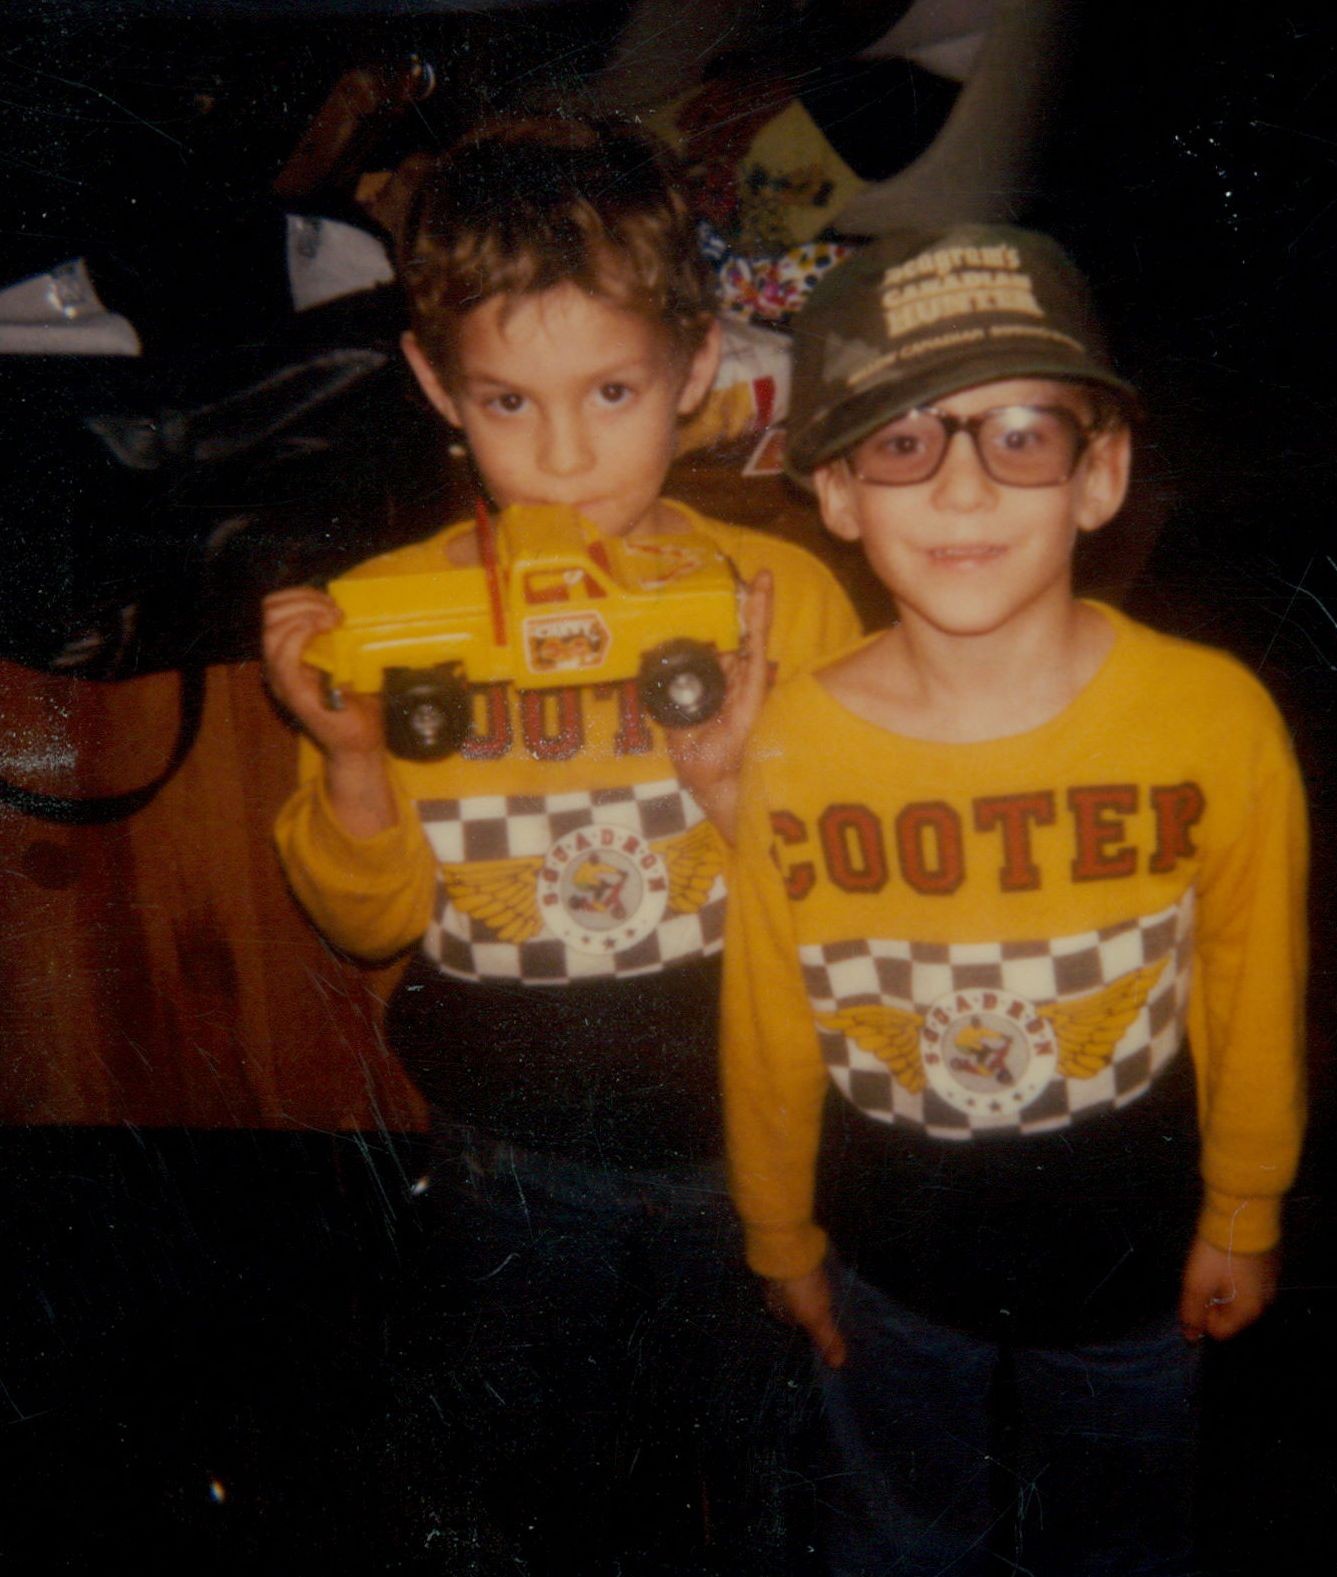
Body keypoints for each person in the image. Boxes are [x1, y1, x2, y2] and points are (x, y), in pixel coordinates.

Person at [262, 117, 861, 1573]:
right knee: (526, 1449)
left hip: (746, 1124)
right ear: (437, 389)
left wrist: (736, 792)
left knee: (768, 1441)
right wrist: (354, 762)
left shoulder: (780, 600)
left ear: (696, 365)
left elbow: (854, 901)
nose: (567, 453)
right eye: (508, 402)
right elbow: (365, 919)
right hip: (509, 1138)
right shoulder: (386, 620)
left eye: (611, 390)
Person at [721, 224, 1308, 1575]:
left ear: (1102, 473)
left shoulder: (1214, 719)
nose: (963, 487)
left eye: (1021, 435)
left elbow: (1251, 981)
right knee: (898, 1536)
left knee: (1118, 1541)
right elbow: (765, 1011)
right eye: (902, 441)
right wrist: (777, 1229)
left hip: (1130, 1259)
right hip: (885, 1263)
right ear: (834, 491)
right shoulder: (793, 740)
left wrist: (1245, 1208)